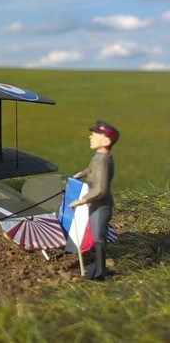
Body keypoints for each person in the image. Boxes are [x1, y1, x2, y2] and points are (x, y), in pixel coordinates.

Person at [68, 120, 119, 280]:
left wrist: (82, 200)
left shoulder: (103, 160)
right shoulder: (98, 157)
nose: (91, 136)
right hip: (95, 204)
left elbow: (101, 189)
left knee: (98, 238)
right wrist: (79, 174)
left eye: (95, 134)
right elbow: (91, 169)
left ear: (106, 141)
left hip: (100, 205)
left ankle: (100, 271)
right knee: (98, 236)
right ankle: (99, 267)